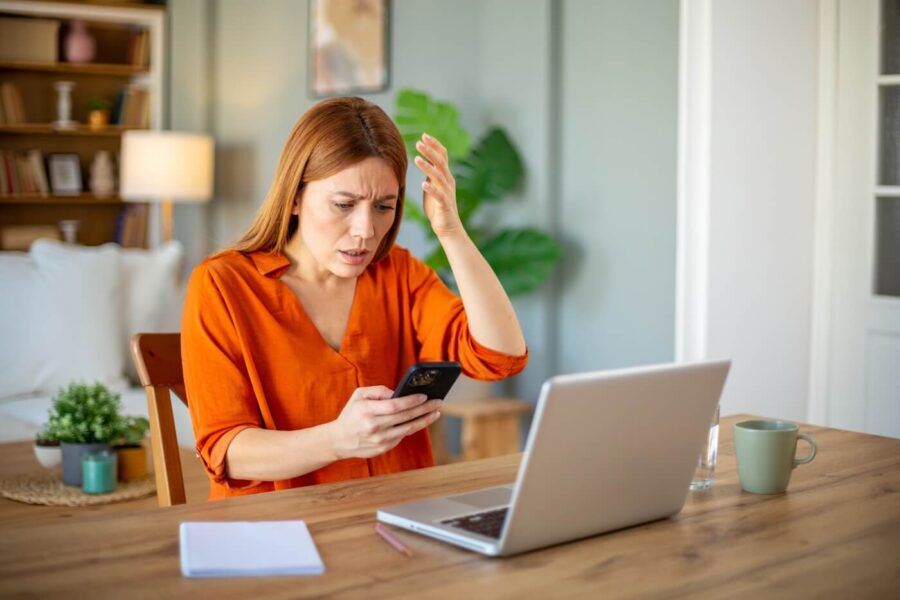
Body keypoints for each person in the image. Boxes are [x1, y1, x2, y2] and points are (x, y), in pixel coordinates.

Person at [181, 97, 528, 500]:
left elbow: (500, 355)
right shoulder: (223, 284)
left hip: (396, 520)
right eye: (343, 205)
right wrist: (337, 440)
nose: (365, 230)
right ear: (294, 197)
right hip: (277, 532)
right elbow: (226, 451)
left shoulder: (398, 274)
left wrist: (451, 231)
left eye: (384, 206)